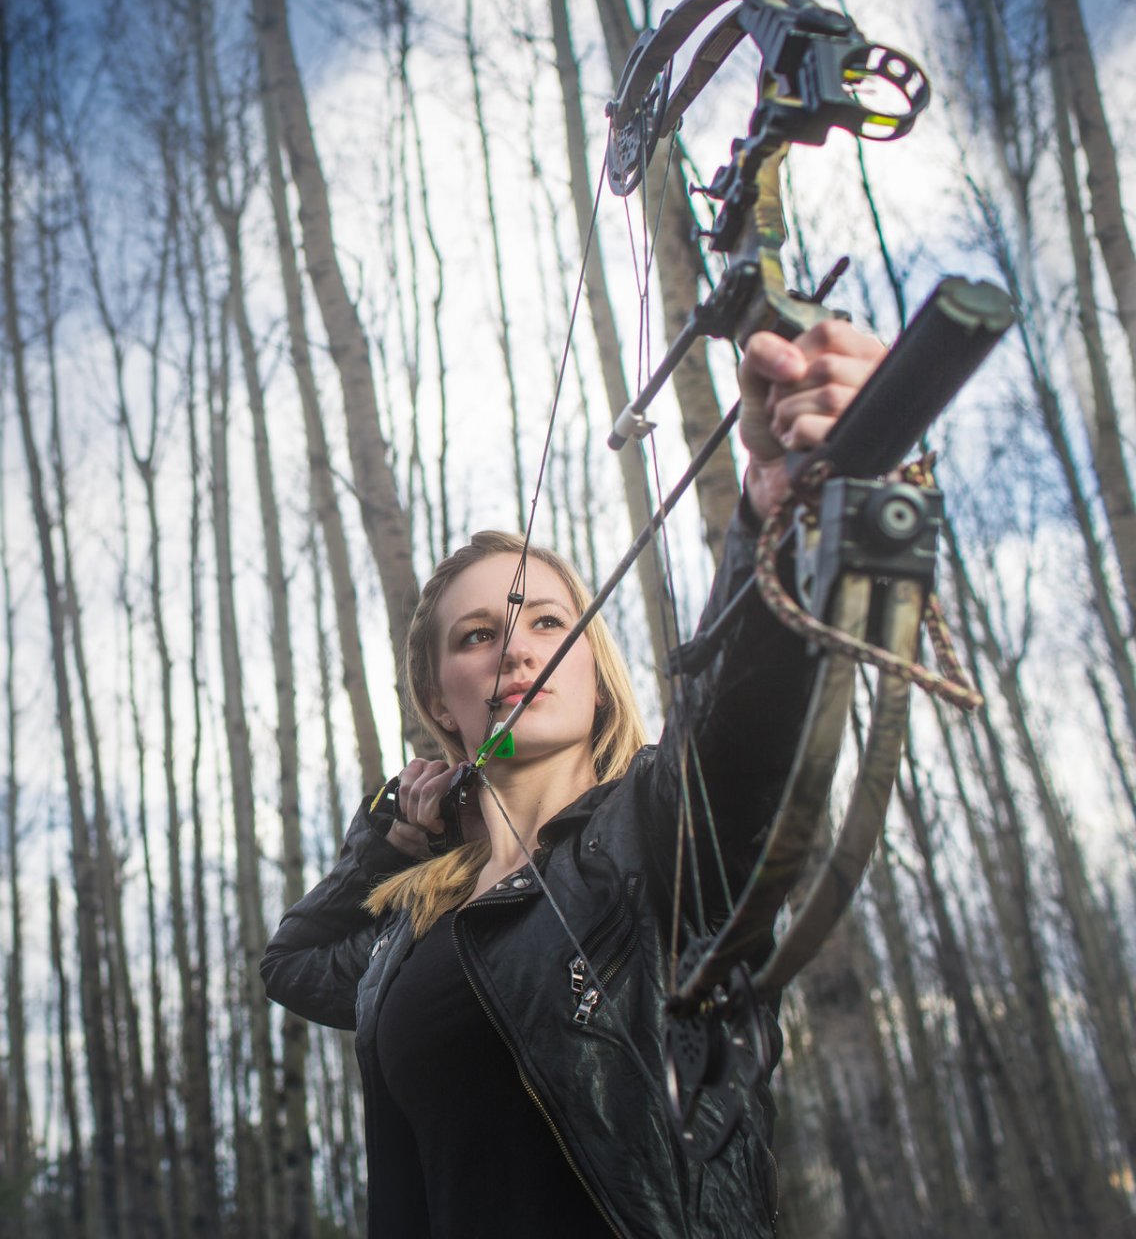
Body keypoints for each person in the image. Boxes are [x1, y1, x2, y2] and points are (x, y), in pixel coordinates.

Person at [262, 321, 890, 1238]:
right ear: (441, 697)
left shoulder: (654, 832)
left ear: (594, 671)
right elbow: (294, 963)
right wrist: (393, 836)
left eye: (549, 623)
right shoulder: (410, 928)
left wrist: (782, 513)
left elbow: (742, 719)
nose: (515, 646)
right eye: (478, 636)